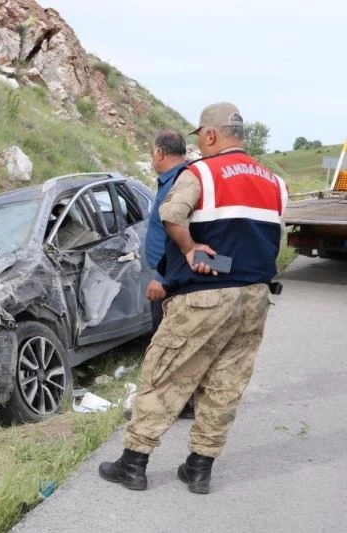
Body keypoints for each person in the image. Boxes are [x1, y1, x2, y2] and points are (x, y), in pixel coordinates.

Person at [99, 102, 288, 494]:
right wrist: (227, 262)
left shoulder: (201, 172)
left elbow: (172, 214)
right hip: (254, 297)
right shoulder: (275, 181)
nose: (199, 143)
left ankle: (133, 463)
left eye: (200, 135)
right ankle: (199, 468)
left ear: (212, 135)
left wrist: (190, 249)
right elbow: (262, 240)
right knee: (226, 383)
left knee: (164, 372)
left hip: (205, 295)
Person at [145, 130, 194, 420]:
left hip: (170, 277)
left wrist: (163, 277)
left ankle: (168, 406)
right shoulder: (176, 180)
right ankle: (183, 403)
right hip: (170, 273)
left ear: (160, 154)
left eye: (153, 152)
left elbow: (178, 232)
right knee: (174, 341)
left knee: (166, 343)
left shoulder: (179, 182)